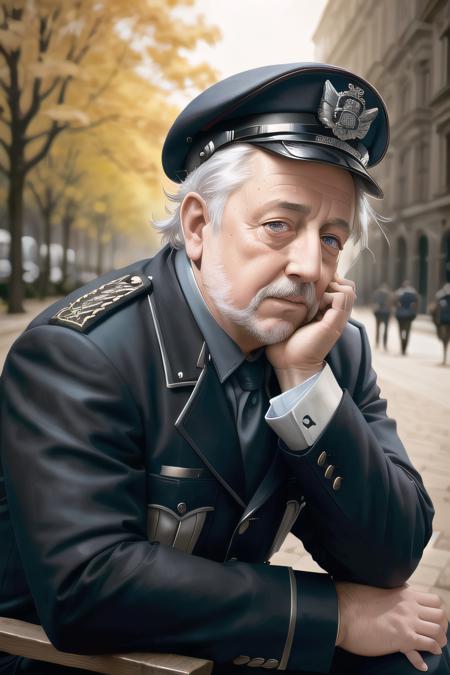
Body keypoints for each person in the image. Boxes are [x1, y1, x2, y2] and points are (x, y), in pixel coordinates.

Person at [1, 63, 448, 675]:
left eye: (332, 238)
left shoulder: (331, 348)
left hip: (223, 634)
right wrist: (334, 614)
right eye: (279, 226)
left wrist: (308, 388)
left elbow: (392, 556)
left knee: (422, 657)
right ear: (197, 225)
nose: (309, 266)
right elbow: (86, 585)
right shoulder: (82, 351)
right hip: (82, 659)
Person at [395, 280, 419, 355]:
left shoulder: (399, 292)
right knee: (407, 332)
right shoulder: (413, 293)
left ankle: (402, 345)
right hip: (409, 316)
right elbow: (416, 304)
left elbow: (395, 303)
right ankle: (405, 348)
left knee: (400, 331)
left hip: (400, 316)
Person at [430, 281, 450, 366]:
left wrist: (435, 321)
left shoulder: (440, 296)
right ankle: (444, 357)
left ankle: (444, 357)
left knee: (444, 340)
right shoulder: (440, 297)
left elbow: (434, 310)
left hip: (443, 322)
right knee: (446, 339)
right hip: (444, 321)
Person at [372, 282, 392, 349]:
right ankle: (385, 344)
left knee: (377, 328)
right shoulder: (389, 294)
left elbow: (374, 302)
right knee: (386, 329)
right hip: (386, 313)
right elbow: (391, 303)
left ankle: (377, 343)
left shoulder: (376, 293)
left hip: (378, 313)